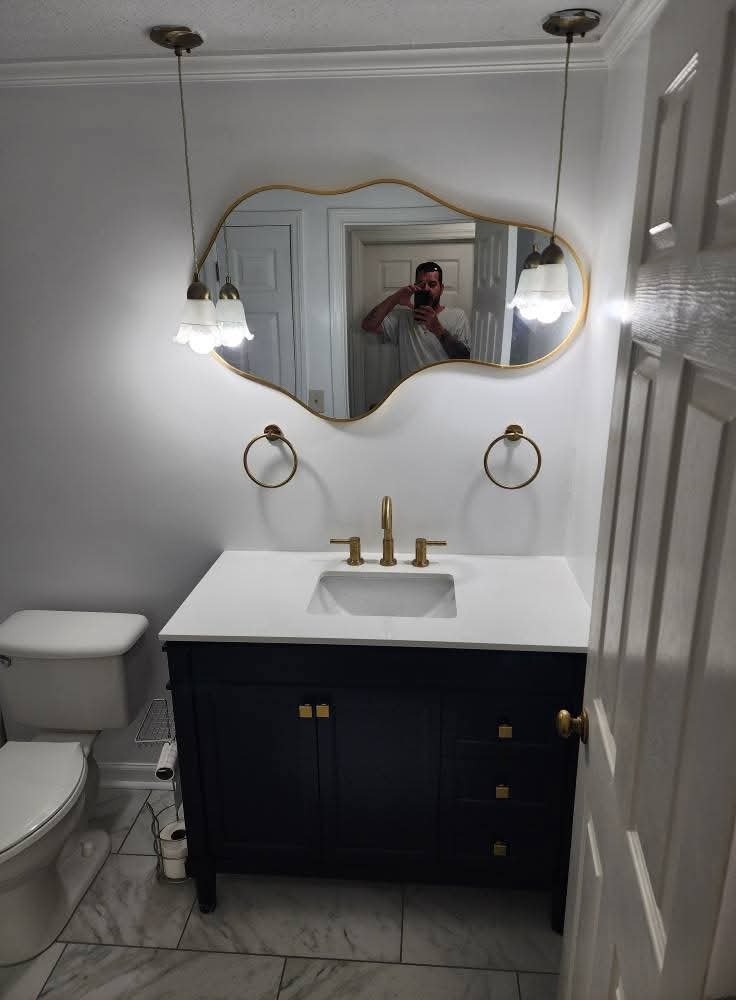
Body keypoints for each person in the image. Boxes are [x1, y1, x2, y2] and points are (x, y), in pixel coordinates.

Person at [361, 261, 471, 377]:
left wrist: (437, 329)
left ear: (441, 288)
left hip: (444, 391)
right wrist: (395, 298)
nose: (426, 289)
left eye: (432, 284)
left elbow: (466, 358)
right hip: (410, 392)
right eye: (421, 285)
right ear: (415, 287)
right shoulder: (403, 318)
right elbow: (368, 325)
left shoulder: (458, 316)